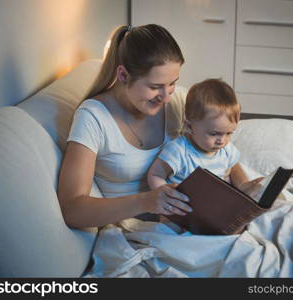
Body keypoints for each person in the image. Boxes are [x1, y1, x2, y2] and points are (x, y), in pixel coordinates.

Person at [58, 24, 193, 228]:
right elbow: (72, 210)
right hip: (134, 230)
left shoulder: (176, 102)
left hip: (185, 221)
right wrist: (146, 201)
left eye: (173, 83)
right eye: (155, 87)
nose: (166, 97)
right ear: (123, 75)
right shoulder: (93, 117)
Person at [147, 78, 263, 198]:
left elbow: (234, 167)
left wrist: (243, 186)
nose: (222, 141)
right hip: (183, 208)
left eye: (229, 133)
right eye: (214, 133)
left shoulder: (226, 150)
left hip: (215, 205)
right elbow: (155, 175)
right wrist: (166, 196)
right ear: (189, 126)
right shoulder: (179, 150)